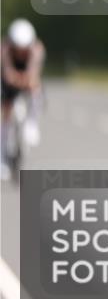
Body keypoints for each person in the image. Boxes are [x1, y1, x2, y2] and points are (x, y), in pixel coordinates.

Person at [1, 18, 45, 179]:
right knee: (6, 110)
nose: (20, 52)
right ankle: (2, 154)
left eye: (23, 49)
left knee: (36, 89)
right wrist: (15, 78)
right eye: (17, 48)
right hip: (8, 80)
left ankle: (32, 122)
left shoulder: (37, 49)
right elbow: (7, 74)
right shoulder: (4, 49)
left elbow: (34, 73)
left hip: (27, 76)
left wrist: (26, 79)